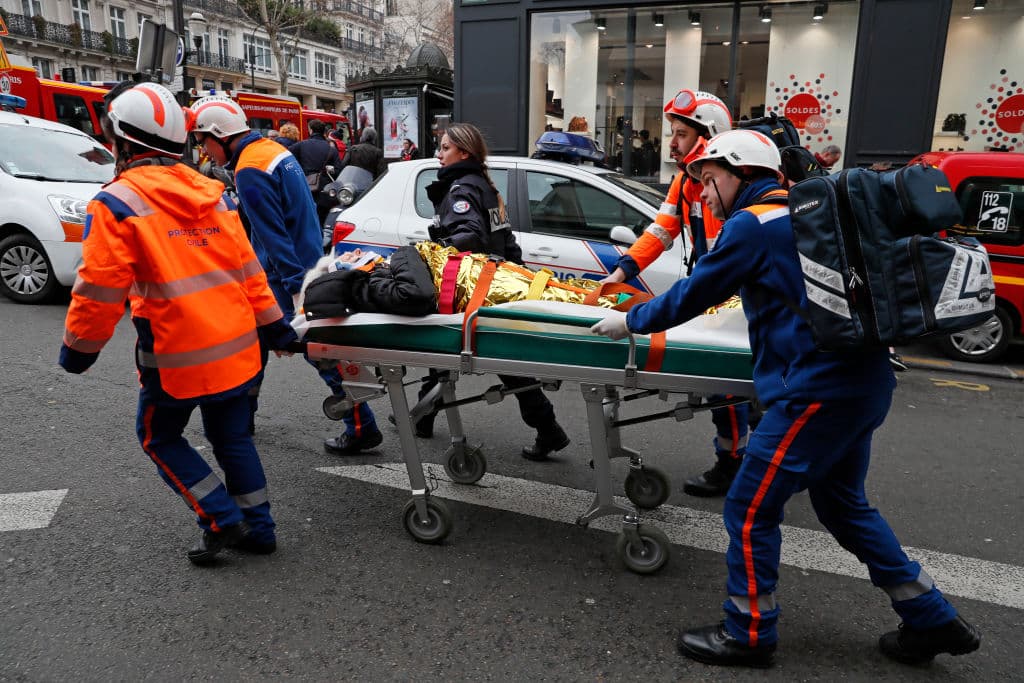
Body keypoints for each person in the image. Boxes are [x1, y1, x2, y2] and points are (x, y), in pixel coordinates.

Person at [591, 129, 981, 668]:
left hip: (815, 394)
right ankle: (932, 618)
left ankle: (748, 633)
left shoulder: (754, 224)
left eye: (710, 180)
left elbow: (695, 292)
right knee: (843, 507)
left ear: (743, 175)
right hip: (863, 384)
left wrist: (629, 319)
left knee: (750, 508)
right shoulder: (811, 214)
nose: (704, 194)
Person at [58, 82, 296, 565]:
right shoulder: (217, 196)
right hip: (238, 350)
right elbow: (250, 273)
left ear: (122, 141)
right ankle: (260, 528)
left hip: (176, 358)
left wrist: (79, 350)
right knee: (232, 438)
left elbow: (99, 290)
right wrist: (275, 327)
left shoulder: (117, 203)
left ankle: (220, 516)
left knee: (160, 438)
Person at [190, 95, 383, 455]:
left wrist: (297, 290)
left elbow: (272, 235)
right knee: (258, 346)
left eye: (204, 143)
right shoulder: (272, 152)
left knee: (314, 350)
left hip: (282, 277)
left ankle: (361, 424)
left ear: (219, 135)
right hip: (303, 264)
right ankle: (242, 420)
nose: (205, 153)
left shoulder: (249, 169)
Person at [602, 89, 751, 498]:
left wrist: (645, 312)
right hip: (719, 292)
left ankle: (732, 466)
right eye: (673, 132)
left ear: (709, 137)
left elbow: (722, 264)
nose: (672, 142)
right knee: (736, 386)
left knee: (726, 382)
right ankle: (759, 452)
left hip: (735, 297)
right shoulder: (687, 182)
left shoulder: (729, 189)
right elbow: (660, 231)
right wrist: (620, 272)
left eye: (681, 134)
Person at [421, 122, 570, 460]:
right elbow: (507, 237)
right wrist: (518, 274)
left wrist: (437, 248)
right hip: (497, 281)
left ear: (464, 153)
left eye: (445, 148)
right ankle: (424, 414)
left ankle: (548, 429)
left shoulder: (461, 189)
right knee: (450, 352)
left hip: (474, 285)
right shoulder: (488, 187)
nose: (439, 154)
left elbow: (470, 234)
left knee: (471, 353)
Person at [290, 119, 343, 228]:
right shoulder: (331, 149)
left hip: (305, 188)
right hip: (325, 191)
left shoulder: (301, 145)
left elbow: (287, 159)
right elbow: (338, 170)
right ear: (324, 132)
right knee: (322, 221)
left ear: (311, 130)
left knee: (306, 222)